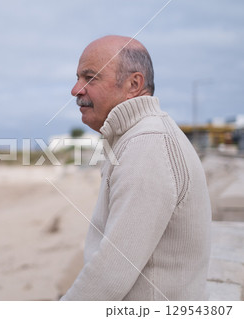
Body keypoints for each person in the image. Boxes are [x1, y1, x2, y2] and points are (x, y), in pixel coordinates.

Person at [60, 35, 211, 301]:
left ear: (134, 84)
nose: (76, 90)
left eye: (90, 78)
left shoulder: (147, 144)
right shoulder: (136, 136)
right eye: (77, 78)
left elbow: (111, 272)